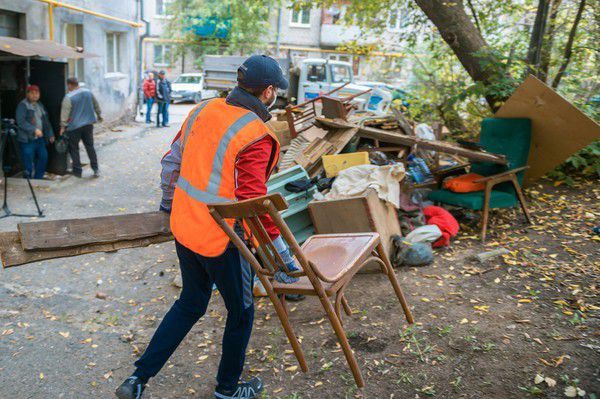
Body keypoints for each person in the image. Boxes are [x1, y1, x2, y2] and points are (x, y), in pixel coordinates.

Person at [116, 55, 296, 399]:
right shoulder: (256, 133)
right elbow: (254, 202)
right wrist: (282, 257)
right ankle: (228, 390)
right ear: (269, 91)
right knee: (242, 312)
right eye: (276, 93)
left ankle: (138, 379)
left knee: (191, 302)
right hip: (224, 240)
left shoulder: (204, 109)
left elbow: (172, 163)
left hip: (186, 227)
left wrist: (169, 208)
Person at [60, 77, 102, 178]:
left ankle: (77, 171)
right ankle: (95, 169)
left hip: (74, 127)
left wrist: (62, 127)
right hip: (88, 125)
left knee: (74, 149)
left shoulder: (68, 97)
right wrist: (99, 115)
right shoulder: (88, 92)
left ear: (69, 85)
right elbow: (96, 105)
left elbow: (64, 114)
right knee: (90, 146)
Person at [15, 85, 54, 179]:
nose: (35, 95)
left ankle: (38, 178)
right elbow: (20, 122)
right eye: (32, 93)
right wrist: (34, 130)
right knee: (28, 160)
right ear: (27, 94)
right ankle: (27, 180)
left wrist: (50, 134)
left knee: (43, 157)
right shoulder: (23, 105)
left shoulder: (40, 105)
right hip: (27, 139)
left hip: (40, 139)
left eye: (37, 93)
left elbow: (46, 121)